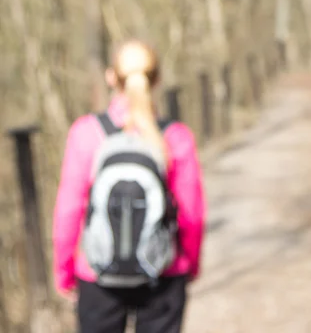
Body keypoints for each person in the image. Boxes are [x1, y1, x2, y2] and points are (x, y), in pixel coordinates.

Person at [52, 40, 205, 333]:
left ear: (112, 77)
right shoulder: (176, 137)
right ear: (157, 80)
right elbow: (191, 213)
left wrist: (65, 272)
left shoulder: (86, 133)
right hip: (163, 272)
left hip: (97, 273)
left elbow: (69, 209)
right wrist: (189, 262)